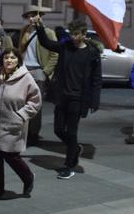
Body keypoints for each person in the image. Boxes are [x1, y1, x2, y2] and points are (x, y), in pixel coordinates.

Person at [34, 18, 102, 180]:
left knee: (71, 132)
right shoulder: (65, 47)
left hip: (78, 99)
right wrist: (39, 26)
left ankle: (69, 165)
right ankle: (75, 148)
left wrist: (94, 101)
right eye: (71, 33)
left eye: (76, 34)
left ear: (84, 35)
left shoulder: (92, 53)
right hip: (62, 96)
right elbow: (47, 43)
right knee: (58, 129)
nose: (72, 37)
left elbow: (96, 79)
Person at [0, 49, 40, 200]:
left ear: (18, 60)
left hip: (12, 125)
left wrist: (21, 116)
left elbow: (35, 101)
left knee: (12, 157)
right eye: (6, 57)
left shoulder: (26, 79)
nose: (9, 60)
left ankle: (28, 178)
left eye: (13, 58)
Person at [17, 6, 59, 145]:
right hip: (24, 70)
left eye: (33, 15)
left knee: (35, 105)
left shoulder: (48, 32)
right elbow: (20, 50)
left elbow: (55, 53)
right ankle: (23, 131)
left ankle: (33, 134)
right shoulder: (25, 31)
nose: (30, 18)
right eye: (28, 16)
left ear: (39, 17)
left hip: (38, 71)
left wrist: (46, 71)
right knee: (22, 103)